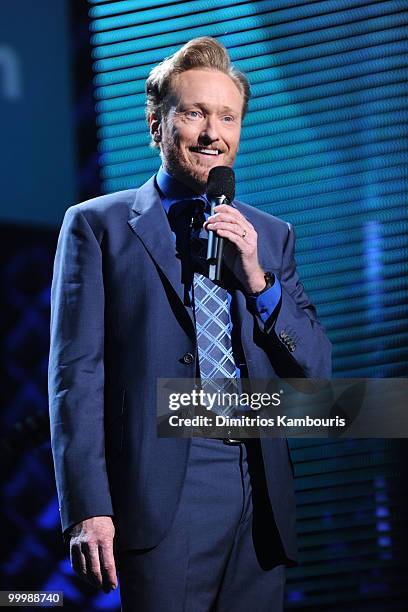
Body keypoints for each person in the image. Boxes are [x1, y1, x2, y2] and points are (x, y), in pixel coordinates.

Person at [48, 37, 331, 611]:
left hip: (257, 488)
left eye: (227, 116)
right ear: (157, 123)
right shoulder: (97, 226)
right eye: (195, 113)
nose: (213, 133)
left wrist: (259, 282)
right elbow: (75, 378)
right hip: (161, 488)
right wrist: (87, 505)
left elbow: (316, 373)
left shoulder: (270, 237)